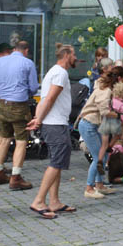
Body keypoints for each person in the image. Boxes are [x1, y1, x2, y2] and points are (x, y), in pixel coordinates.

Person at [26, 44, 77, 219]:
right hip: (55, 124)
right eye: (74, 54)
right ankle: (39, 200)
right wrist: (39, 119)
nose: (75, 58)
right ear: (66, 55)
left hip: (54, 122)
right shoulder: (61, 73)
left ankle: (54, 201)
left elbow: (44, 99)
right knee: (56, 162)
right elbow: (50, 98)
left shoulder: (53, 72)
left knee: (59, 161)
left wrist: (37, 118)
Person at [0, 40, 39, 190]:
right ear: (26, 50)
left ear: (13, 49)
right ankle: (16, 178)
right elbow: (34, 87)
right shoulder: (28, 63)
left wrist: (0, 92)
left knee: (3, 139)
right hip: (19, 106)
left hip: (1, 104)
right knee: (21, 141)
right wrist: (24, 93)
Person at [75, 66, 123, 199]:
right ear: (118, 80)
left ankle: (99, 184)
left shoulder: (102, 86)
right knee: (98, 156)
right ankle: (89, 187)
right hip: (88, 124)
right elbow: (104, 112)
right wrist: (117, 115)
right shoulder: (106, 91)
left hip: (92, 124)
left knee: (103, 156)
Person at [95, 82, 123, 171]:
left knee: (103, 145)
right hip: (114, 124)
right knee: (118, 134)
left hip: (105, 123)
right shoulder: (122, 104)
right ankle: (110, 146)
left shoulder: (110, 100)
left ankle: (100, 161)